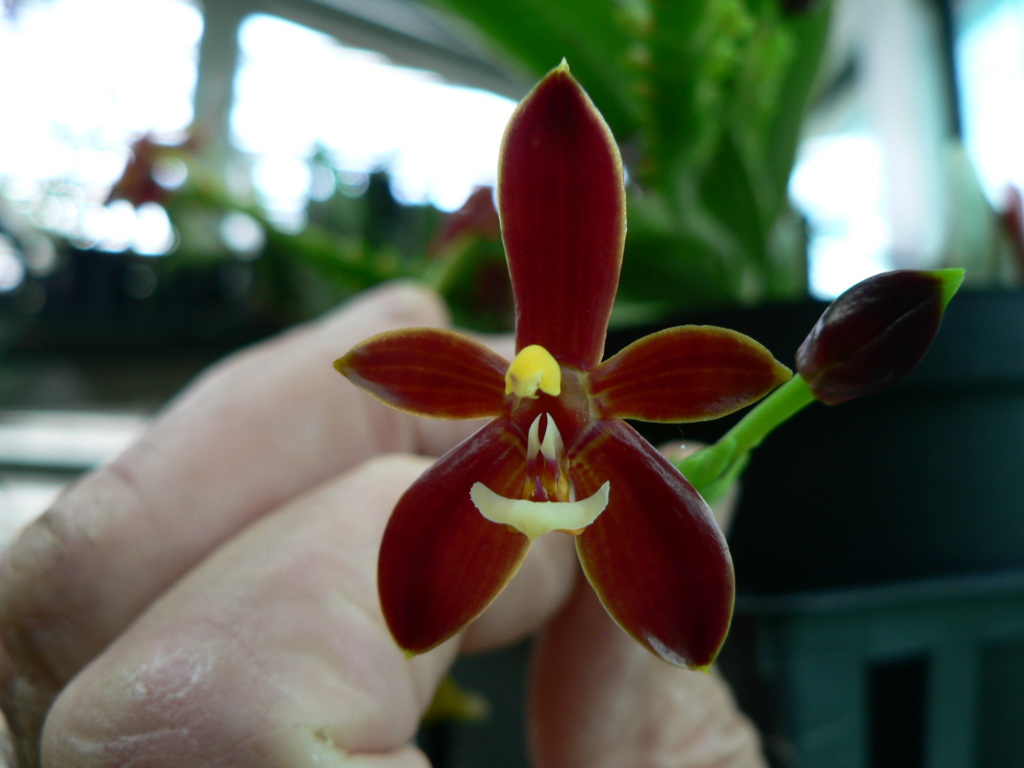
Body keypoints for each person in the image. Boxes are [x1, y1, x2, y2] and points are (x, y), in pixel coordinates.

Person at [0, 282, 765, 768]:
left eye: (561, 411)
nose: (547, 424)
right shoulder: (463, 489)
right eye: (531, 406)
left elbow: (684, 620)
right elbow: (421, 606)